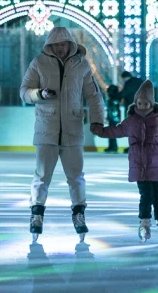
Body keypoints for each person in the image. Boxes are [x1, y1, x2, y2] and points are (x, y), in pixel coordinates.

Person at [20, 27, 105, 242]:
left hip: (72, 130)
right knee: (41, 176)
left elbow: (94, 96)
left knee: (76, 176)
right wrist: (40, 94)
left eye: (62, 44)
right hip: (46, 129)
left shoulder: (81, 65)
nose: (59, 48)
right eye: (55, 45)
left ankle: (79, 213)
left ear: (69, 44)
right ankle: (36, 214)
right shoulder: (39, 63)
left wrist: (97, 120)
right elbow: (24, 92)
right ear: (49, 46)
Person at [91, 80, 158, 243]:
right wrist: (99, 130)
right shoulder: (131, 121)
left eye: (146, 103)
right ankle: (144, 224)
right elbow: (114, 131)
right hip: (139, 166)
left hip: (157, 165)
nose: (142, 106)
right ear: (135, 102)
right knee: (146, 196)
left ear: (151, 103)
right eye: (139, 103)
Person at [118, 71, 143, 153]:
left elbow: (124, 93)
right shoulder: (140, 81)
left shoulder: (129, 83)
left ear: (124, 78)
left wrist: (114, 95)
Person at [104, 85, 121, 153]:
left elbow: (113, 110)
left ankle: (113, 147)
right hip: (114, 118)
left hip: (113, 119)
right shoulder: (115, 99)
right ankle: (112, 146)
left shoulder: (112, 100)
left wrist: (109, 117)